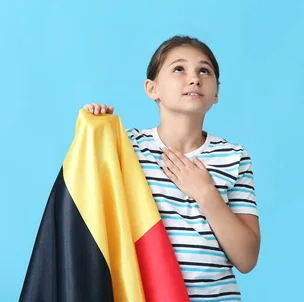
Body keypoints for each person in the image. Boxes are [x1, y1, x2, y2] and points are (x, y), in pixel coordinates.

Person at [83, 35, 260, 301]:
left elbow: (246, 259)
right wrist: (96, 128)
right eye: (179, 69)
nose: (194, 78)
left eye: (204, 70)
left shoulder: (234, 157)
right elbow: (92, 213)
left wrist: (205, 193)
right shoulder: (125, 149)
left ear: (216, 93)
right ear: (152, 89)